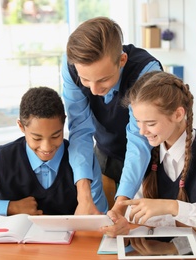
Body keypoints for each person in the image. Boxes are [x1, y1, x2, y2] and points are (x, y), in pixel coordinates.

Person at [101, 71, 196, 240]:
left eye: (151, 123)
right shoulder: (144, 153)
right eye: (138, 121)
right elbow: (135, 214)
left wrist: (172, 207)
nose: (142, 131)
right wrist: (122, 223)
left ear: (178, 114)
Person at [0, 87, 108, 220]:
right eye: (37, 138)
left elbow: (98, 218)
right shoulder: (0, 160)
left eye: (56, 135)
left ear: (64, 123)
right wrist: (9, 207)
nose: (47, 147)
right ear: (21, 127)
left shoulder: (83, 162)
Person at [61, 16, 163, 216]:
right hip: (105, 152)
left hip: (151, 159)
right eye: (85, 80)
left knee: (143, 230)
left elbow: (139, 139)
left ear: (122, 60)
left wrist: (121, 203)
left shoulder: (146, 72)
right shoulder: (72, 65)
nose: (94, 89)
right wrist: (83, 196)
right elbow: (80, 130)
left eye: (104, 79)